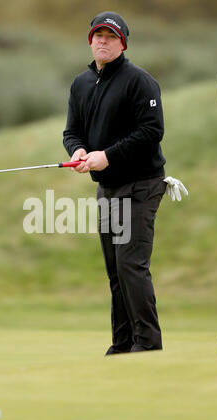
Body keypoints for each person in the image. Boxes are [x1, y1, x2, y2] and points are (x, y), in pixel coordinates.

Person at [63, 11, 167, 354]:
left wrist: (107, 155)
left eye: (110, 36)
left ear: (122, 43)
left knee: (130, 266)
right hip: (107, 188)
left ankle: (147, 343)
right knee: (115, 269)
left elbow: (152, 131)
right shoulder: (81, 83)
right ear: (90, 41)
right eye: (97, 36)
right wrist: (78, 150)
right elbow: (72, 131)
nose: (102, 41)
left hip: (140, 184)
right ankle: (122, 343)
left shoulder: (139, 81)